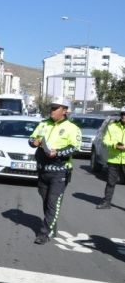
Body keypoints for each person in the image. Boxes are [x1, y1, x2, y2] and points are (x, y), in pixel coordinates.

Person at [28, 97, 81, 245]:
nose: (51, 111)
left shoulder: (72, 128)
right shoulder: (43, 124)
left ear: (64, 111)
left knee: (53, 202)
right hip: (43, 170)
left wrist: (57, 153)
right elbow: (31, 139)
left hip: (60, 172)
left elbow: (75, 148)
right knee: (45, 200)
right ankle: (51, 223)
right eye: (51, 108)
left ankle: (44, 233)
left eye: (55, 108)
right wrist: (35, 142)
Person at [97, 107, 125, 209]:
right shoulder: (112, 126)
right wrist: (115, 145)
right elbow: (105, 140)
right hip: (113, 159)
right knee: (110, 182)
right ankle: (106, 202)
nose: (124, 116)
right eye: (122, 114)